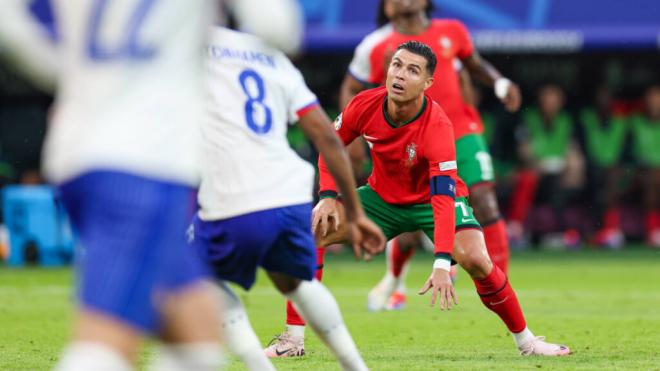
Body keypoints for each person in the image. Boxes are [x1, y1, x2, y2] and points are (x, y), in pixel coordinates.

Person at [268, 41, 569, 358]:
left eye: (413, 70)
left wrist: (441, 263)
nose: (400, 75)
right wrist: (328, 196)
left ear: (428, 83)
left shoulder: (437, 127)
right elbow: (330, 145)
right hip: (382, 201)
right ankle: (292, 342)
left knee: (477, 259)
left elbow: (441, 199)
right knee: (309, 231)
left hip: (431, 201)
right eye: (396, 65)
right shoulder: (364, 105)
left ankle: (527, 342)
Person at [191, 27, 386, 370]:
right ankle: (355, 366)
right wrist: (354, 213)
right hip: (289, 195)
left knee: (189, 272)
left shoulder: (197, 45)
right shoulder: (274, 58)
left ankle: (258, 365)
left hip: (235, 195)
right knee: (294, 281)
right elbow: (327, 137)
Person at [509, 84, 585, 248]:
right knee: (527, 177)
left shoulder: (566, 121)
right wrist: (538, 164)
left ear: (560, 102)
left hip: (561, 173)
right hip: (538, 173)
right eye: (546, 100)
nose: (549, 104)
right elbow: (524, 150)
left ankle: (566, 234)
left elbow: (573, 151)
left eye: (553, 100)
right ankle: (515, 229)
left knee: (573, 179)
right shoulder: (529, 120)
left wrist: (571, 164)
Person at [578, 86, 629, 248]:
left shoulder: (621, 123)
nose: (603, 103)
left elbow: (628, 151)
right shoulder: (586, 120)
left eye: (607, 99)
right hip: (592, 170)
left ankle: (611, 230)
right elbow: (582, 147)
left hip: (620, 172)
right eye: (600, 99)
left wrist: (621, 166)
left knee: (611, 177)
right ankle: (601, 231)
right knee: (599, 179)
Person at [630, 85, 660, 248]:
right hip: (641, 172)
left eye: (658, 100)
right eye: (651, 100)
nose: (654, 104)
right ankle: (653, 232)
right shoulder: (635, 122)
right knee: (651, 179)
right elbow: (627, 153)